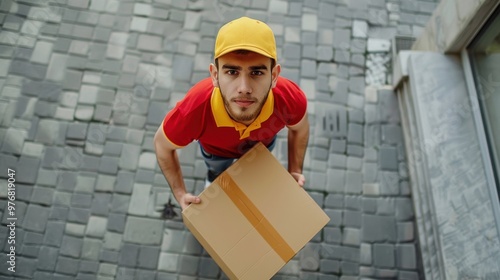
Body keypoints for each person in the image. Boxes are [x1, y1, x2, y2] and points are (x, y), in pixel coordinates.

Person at [154, 16, 309, 211]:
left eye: (257, 73)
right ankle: (214, 177)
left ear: (274, 75)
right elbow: (162, 145)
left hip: (260, 147)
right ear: (215, 75)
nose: (244, 88)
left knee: (255, 168)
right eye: (232, 72)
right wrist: (179, 193)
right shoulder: (194, 110)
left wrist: (294, 170)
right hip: (216, 154)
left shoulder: (290, 98)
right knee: (216, 170)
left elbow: (300, 129)